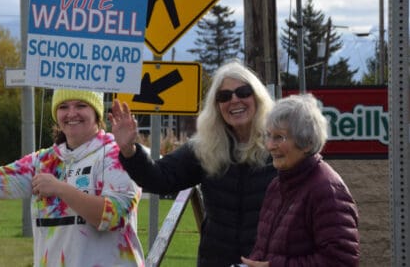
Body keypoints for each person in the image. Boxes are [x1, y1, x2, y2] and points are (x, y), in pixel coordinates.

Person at [0, 89, 144, 267]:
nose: (71, 113)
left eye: (81, 105)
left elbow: (114, 217)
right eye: (63, 106)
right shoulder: (44, 161)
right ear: (56, 113)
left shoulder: (120, 155)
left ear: (96, 112)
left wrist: (60, 188)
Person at [110, 60, 277, 267]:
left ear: (258, 97)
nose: (234, 100)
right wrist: (129, 151)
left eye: (243, 92)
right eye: (224, 96)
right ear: (216, 106)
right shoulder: (204, 147)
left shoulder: (280, 145)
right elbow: (160, 178)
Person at [240, 93, 360, 267]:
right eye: (268, 135)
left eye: (279, 137)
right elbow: (265, 252)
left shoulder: (327, 190)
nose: (270, 146)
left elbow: (341, 261)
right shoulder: (277, 186)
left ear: (307, 143)